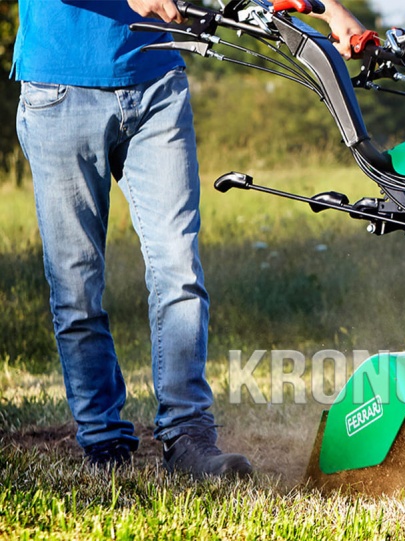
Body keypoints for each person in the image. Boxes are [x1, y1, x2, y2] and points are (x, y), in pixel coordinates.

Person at [12, 0, 366, 476]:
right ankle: (104, 445)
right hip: (60, 88)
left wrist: (327, 10)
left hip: (158, 84)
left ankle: (187, 438)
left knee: (179, 268)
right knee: (77, 286)